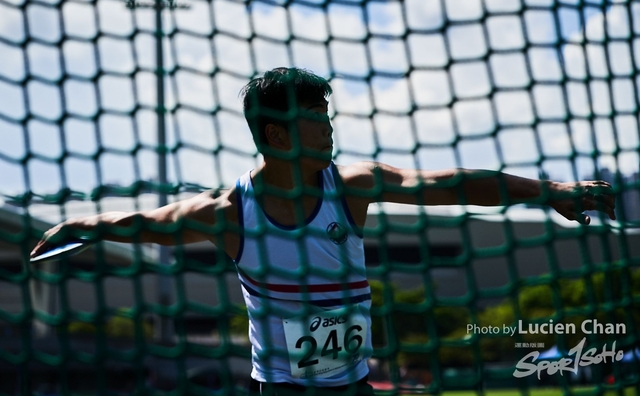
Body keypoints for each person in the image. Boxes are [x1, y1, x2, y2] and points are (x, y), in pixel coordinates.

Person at [31, 67, 616, 395]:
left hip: (354, 385)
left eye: (326, 114)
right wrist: (81, 223)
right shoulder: (230, 212)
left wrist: (553, 194)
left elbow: (452, 184)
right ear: (278, 135)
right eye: (315, 117)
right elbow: (144, 223)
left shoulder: (352, 184)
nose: (328, 127)